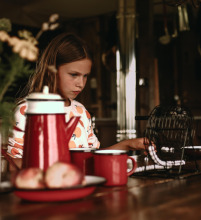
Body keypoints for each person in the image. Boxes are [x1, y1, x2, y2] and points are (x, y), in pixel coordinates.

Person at [7, 32, 147, 163]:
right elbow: (13, 164)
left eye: (85, 76)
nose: (81, 84)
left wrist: (128, 145)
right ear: (52, 70)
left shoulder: (80, 111)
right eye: (74, 74)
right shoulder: (27, 111)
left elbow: (91, 159)